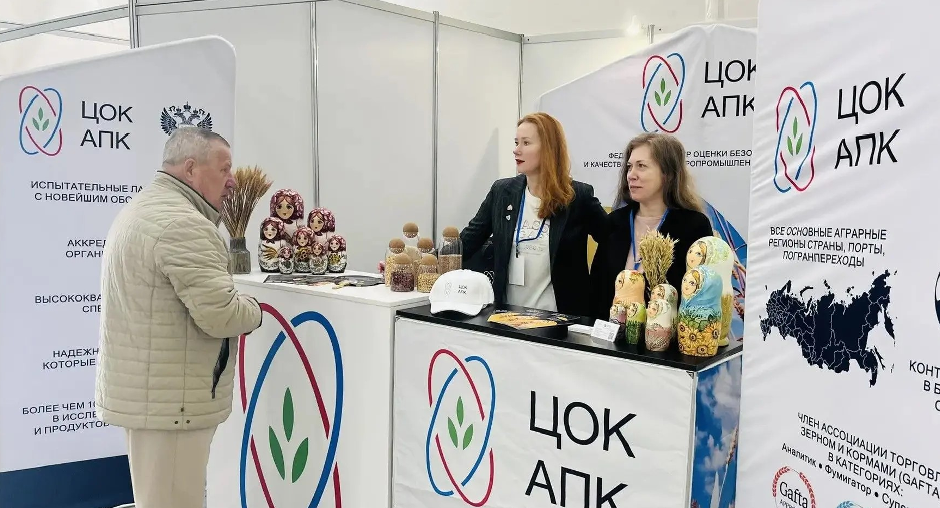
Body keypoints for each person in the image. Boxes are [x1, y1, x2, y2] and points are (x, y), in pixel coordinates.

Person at [95, 126, 263, 508]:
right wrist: (255, 309)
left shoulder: (143, 209)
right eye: (224, 169)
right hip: (173, 407)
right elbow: (222, 315)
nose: (233, 181)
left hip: (154, 400)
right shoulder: (184, 225)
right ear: (191, 169)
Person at [460, 112, 608, 315]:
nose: (516, 150)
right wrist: (429, 262)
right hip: (507, 317)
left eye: (526, 143)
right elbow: (468, 241)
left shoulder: (577, 197)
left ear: (548, 149)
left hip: (560, 320)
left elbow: (611, 242)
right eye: (516, 142)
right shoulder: (502, 192)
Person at [590, 132, 713, 320]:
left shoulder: (693, 226)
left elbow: (700, 297)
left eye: (641, 166)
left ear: (667, 174)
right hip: (611, 334)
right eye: (630, 167)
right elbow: (597, 290)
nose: (631, 175)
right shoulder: (615, 221)